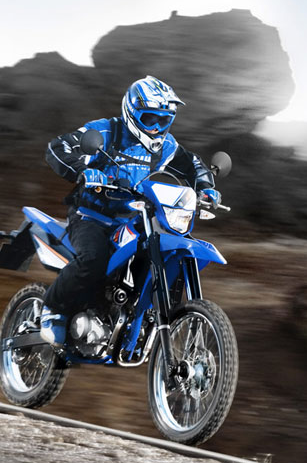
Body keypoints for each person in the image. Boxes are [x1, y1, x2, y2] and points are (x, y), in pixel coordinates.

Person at [40, 75, 221, 347]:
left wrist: (206, 188)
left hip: (134, 219)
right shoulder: (106, 132)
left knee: (159, 250)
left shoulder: (166, 147)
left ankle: (137, 317)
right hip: (90, 216)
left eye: (164, 120)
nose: (157, 127)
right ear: (133, 112)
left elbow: (193, 164)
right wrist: (82, 171)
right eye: (150, 119)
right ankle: (52, 309)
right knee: (94, 258)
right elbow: (58, 147)